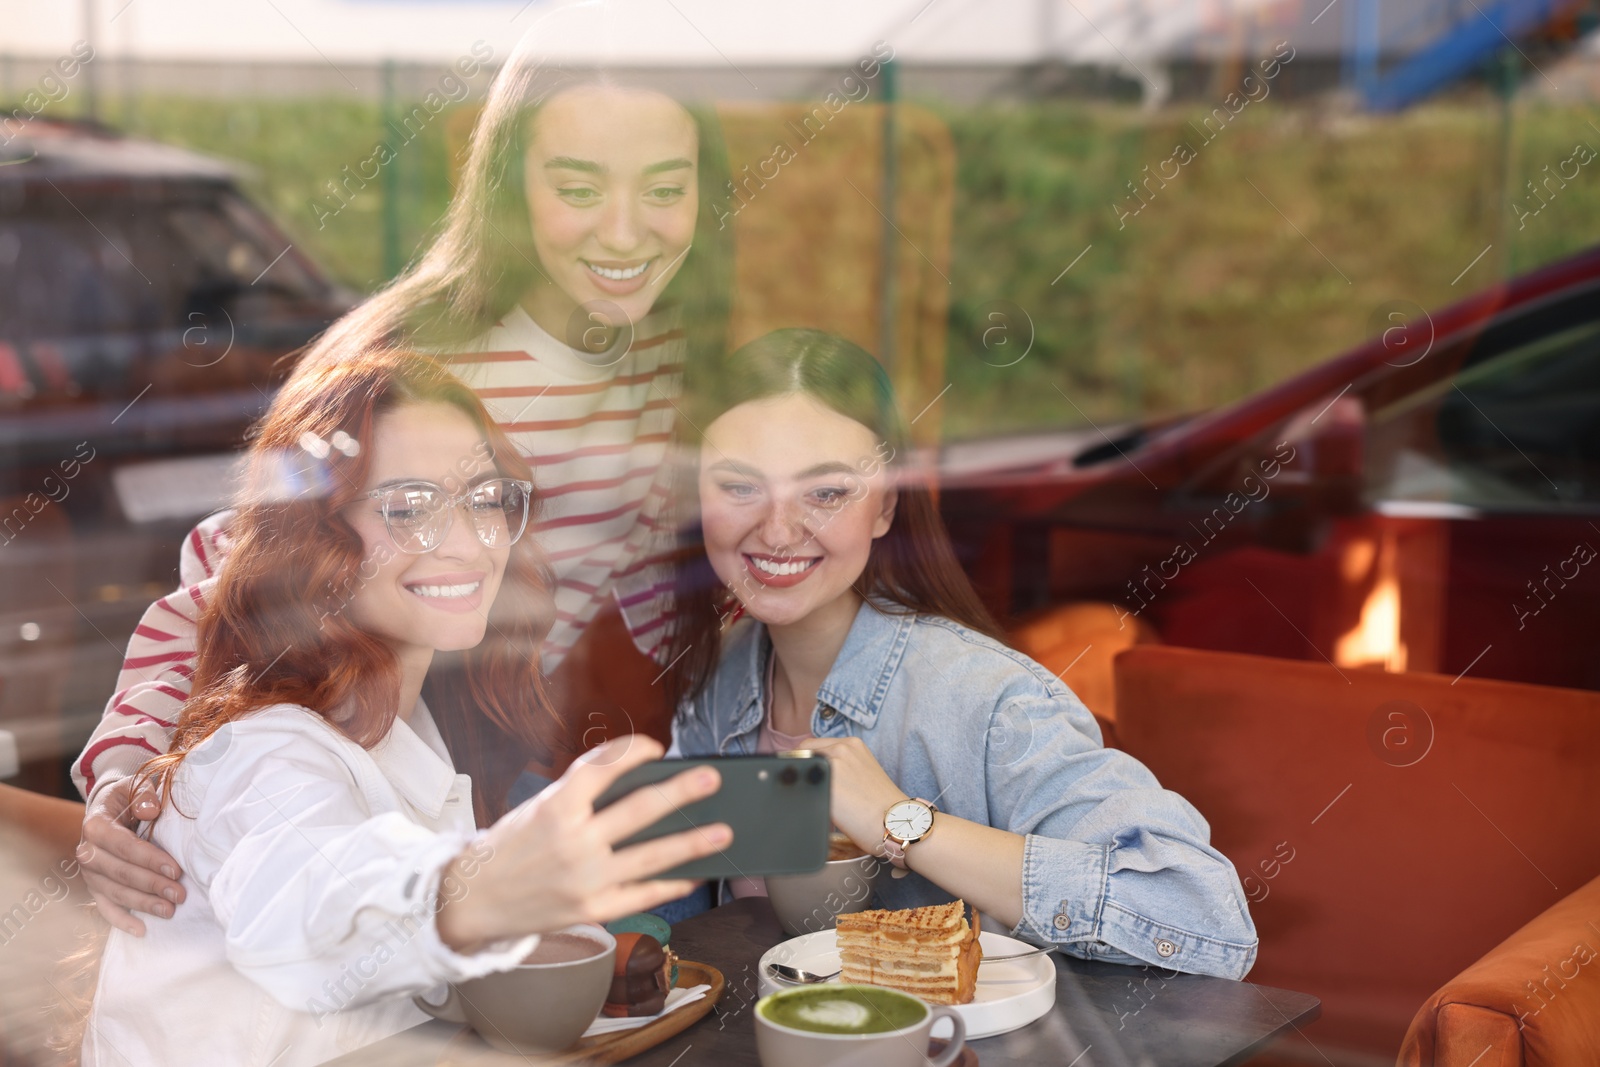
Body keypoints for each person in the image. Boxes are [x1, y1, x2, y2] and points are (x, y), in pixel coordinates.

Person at [74, 21, 733, 935]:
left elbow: (636, 543)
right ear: (509, 186)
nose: (626, 232)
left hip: (517, 765)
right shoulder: (410, 364)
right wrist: (122, 772)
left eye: (665, 187)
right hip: (366, 783)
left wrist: (720, 735)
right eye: (577, 187)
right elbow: (227, 576)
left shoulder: (664, 344)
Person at [78, 349, 731, 1066]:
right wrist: (473, 888)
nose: (467, 540)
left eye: (485, 496)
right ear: (313, 537)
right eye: (408, 507)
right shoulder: (264, 750)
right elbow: (309, 896)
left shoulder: (414, 722)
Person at [664, 329, 1259, 978]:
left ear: (886, 505)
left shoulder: (984, 697)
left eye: (827, 492)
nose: (777, 530)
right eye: (739, 486)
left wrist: (900, 821)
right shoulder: (718, 677)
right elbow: (680, 903)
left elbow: (1203, 916)